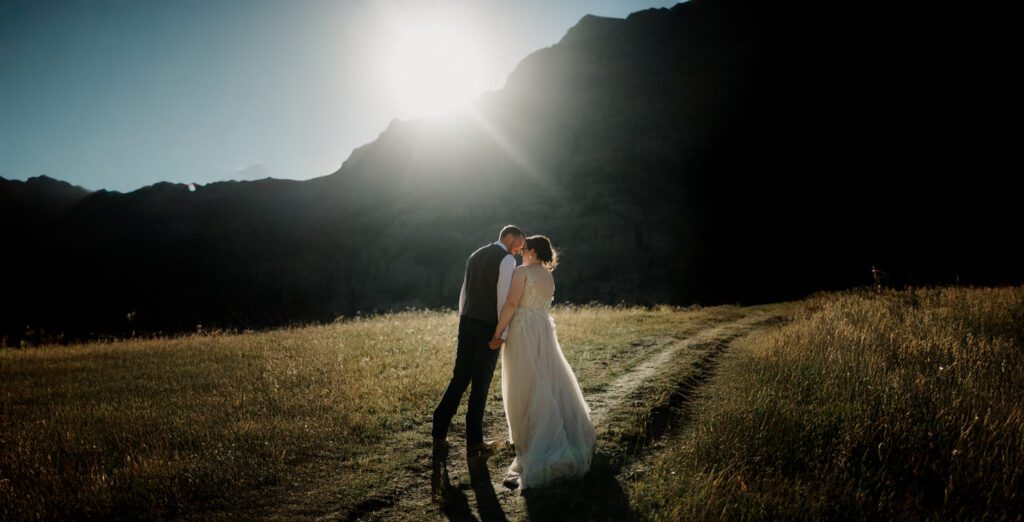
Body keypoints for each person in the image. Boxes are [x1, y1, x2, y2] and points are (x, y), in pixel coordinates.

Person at [489, 235, 596, 490]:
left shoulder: (522, 272)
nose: (521, 251)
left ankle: (535, 441)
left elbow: (513, 303)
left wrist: (497, 333)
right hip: (542, 330)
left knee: (525, 383)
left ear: (533, 252)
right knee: (547, 378)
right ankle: (553, 433)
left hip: (523, 332)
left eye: (524, 248)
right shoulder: (548, 276)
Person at [431, 225, 526, 501]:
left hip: (467, 323)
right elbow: (502, 298)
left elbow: (463, 294)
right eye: (519, 243)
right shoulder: (506, 259)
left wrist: (464, 320)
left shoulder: (475, 255)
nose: (520, 250)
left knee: (459, 378)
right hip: (487, 328)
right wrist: (501, 333)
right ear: (509, 238)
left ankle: (439, 429)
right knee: (480, 385)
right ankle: (474, 445)